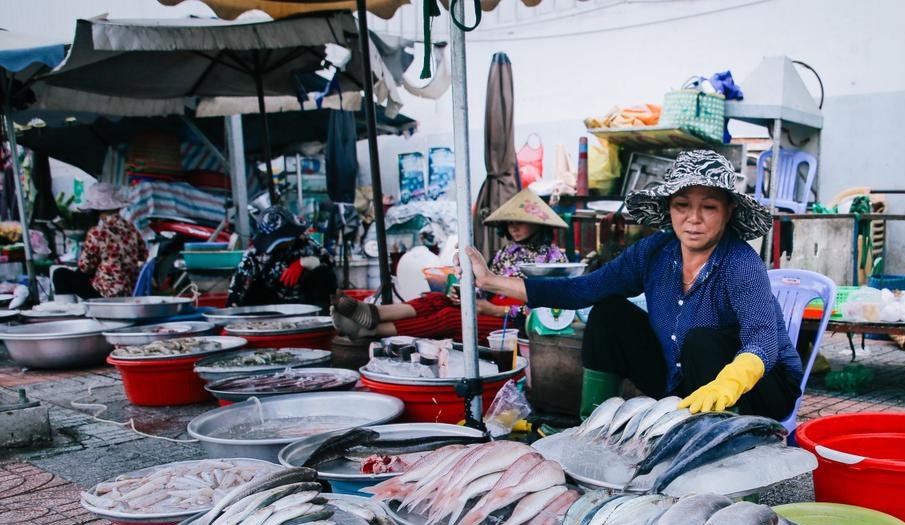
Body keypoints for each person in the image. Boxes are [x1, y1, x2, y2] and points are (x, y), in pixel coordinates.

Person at [462, 149, 803, 421]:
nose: (693, 219)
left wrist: (730, 383)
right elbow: (585, 289)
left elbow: (762, 339)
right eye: (682, 205)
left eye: (709, 207)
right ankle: (593, 426)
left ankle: (721, 439)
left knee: (702, 341)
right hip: (681, 379)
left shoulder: (741, 263)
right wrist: (492, 281)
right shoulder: (654, 251)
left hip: (761, 389)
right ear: (669, 208)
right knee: (609, 312)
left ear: (727, 212)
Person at [333, 188, 567, 340]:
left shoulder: (554, 258)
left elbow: (552, 309)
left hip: (513, 324)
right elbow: (485, 286)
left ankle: (370, 331)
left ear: (539, 224)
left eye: (521, 222)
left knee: (451, 318)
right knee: (438, 300)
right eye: (510, 222)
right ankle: (372, 313)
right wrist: (465, 294)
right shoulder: (506, 252)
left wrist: (495, 310)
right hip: (486, 309)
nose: (513, 227)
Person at [228, 205, 337, 308]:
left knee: (324, 274)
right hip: (271, 305)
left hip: (305, 302)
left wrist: (305, 262)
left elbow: (330, 262)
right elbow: (238, 286)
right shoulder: (255, 253)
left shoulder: (304, 241)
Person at [52, 183, 147, 300]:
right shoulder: (131, 229)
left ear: (95, 210)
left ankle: (67, 312)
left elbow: (85, 267)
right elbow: (143, 255)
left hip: (106, 295)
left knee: (60, 274)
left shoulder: (98, 232)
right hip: (130, 290)